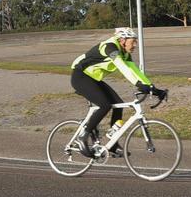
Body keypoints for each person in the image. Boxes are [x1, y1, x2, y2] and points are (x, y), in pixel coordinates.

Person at [70, 27, 166, 157]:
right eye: (133, 41)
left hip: (93, 78)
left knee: (118, 104)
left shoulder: (125, 53)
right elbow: (122, 67)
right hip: (80, 76)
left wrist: (153, 89)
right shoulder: (111, 48)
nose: (135, 45)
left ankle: (113, 145)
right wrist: (138, 85)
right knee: (104, 105)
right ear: (122, 40)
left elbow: (135, 71)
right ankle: (82, 137)